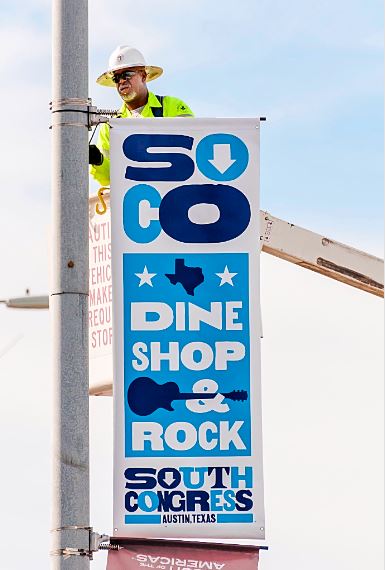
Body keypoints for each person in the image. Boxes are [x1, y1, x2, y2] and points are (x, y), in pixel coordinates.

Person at [89, 45, 194, 186]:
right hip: (138, 201)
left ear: (143, 76)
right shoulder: (110, 126)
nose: (121, 81)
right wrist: (98, 161)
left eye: (126, 75)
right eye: (116, 78)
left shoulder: (173, 107)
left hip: (173, 193)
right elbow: (107, 178)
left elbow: (193, 148)